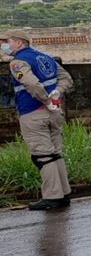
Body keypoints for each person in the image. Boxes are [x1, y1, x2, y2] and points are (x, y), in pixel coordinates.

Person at [1, 30, 75, 210]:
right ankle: (64, 193)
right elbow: (66, 78)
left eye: (7, 41)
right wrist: (56, 92)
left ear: (19, 42)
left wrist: (45, 99)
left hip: (33, 111)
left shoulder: (17, 62)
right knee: (55, 153)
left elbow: (31, 84)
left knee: (42, 156)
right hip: (54, 112)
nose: (4, 45)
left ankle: (52, 196)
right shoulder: (45, 57)